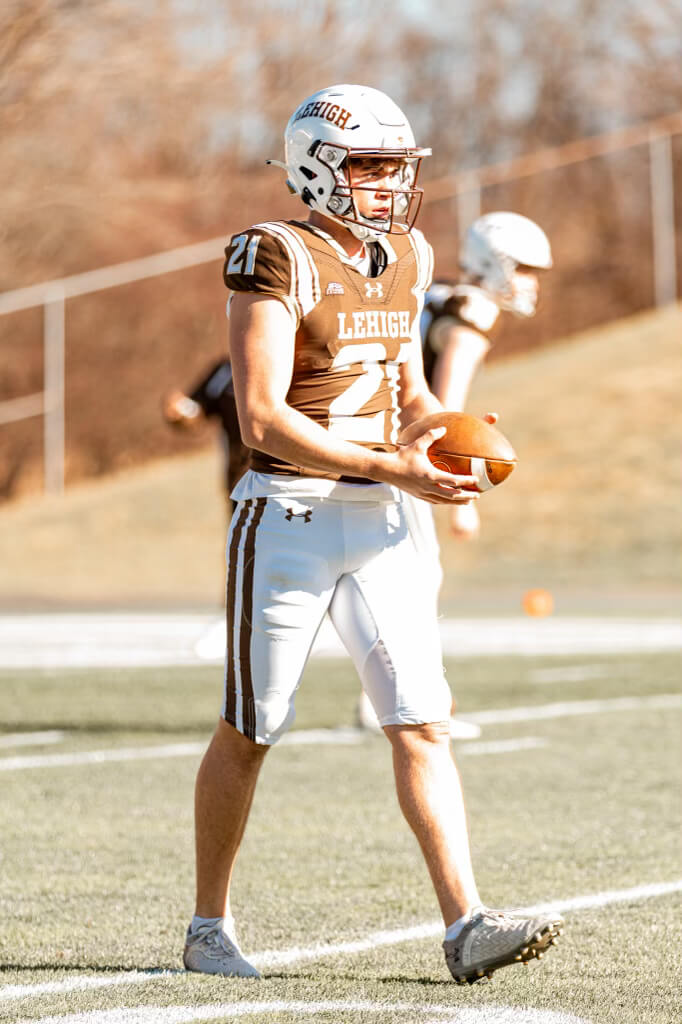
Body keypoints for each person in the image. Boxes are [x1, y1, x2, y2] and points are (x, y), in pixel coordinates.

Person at [182, 83, 563, 985]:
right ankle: (207, 926)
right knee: (253, 725)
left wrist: (442, 431)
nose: (392, 183)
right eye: (372, 165)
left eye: (399, 166)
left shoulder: (410, 254)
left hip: (383, 522)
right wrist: (391, 467)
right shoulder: (273, 253)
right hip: (290, 517)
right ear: (317, 167)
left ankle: (466, 924)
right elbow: (264, 417)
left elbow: (409, 389)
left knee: (421, 722)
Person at [163, 360, 251, 515]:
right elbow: (196, 409)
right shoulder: (224, 371)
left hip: (284, 475)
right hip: (240, 479)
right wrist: (180, 410)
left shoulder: (283, 359)